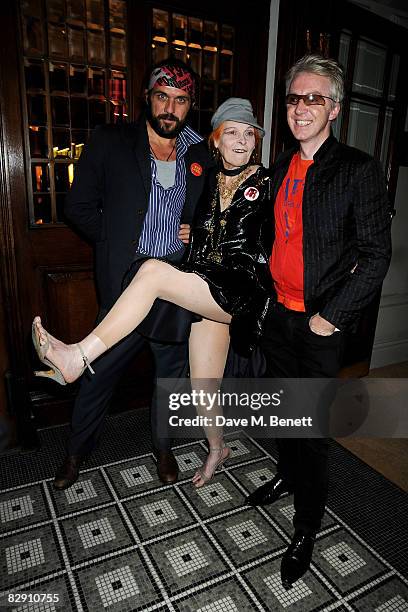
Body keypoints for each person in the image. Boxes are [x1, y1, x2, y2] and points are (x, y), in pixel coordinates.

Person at [32, 97, 273, 488]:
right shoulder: (207, 177)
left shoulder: (267, 181)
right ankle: (217, 449)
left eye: (249, 133)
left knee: (154, 273)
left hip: (239, 291)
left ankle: (77, 356)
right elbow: (201, 224)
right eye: (232, 131)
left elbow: (288, 231)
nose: (241, 140)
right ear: (216, 140)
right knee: (201, 386)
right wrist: (195, 233)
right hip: (203, 287)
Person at [245, 54, 392, 588]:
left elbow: (377, 255)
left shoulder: (357, 169)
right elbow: (274, 234)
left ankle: (307, 525)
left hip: (318, 326)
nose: (300, 108)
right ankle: (286, 476)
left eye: (313, 98)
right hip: (277, 318)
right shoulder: (281, 164)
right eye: (293, 98)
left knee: (311, 431)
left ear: (334, 108)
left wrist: (331, 317)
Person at [49, 58, 213, 490]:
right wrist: (117, 237)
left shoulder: (199, 152)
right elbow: (77, 207)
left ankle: (164, 448)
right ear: (147, 98)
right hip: (127, 283)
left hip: (176, 282)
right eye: (163, 97)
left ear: (189, 104)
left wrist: (197, 231)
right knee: (98, 370)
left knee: (170, 378)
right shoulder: (112, 140)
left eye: (180, 100)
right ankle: (76, 452)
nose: (170, 109)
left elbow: (210, 212)